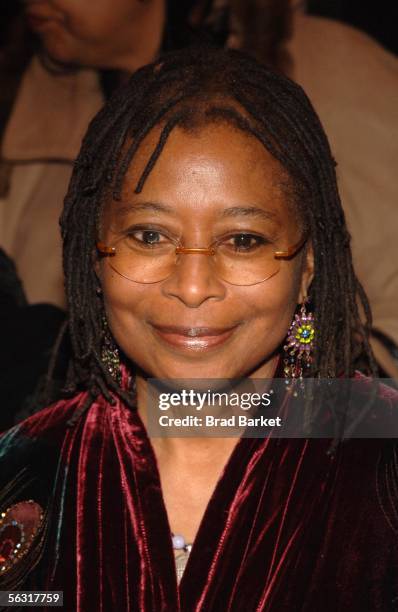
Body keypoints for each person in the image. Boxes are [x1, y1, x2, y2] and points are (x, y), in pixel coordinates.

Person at [0, 47, 397, 611]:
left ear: (307, 268)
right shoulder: (23, 472)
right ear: (93, 254)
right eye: (149, 236)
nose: (191, 286)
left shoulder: (382, 467)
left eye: (242, 241)